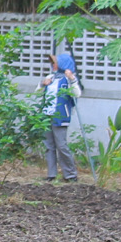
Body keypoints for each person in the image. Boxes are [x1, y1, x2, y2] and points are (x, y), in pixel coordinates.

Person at [39, 47, 80, 181]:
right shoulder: (50, 78)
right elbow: (37, 92)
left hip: (60, 116)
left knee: (61, 146)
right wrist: (42, 84)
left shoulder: (68, 79)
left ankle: (70, 174)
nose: (53, 65)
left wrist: (72, 79)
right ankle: (51, 174)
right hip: (47, 115)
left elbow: (77, 94)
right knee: (49, 146)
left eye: (55, 63)